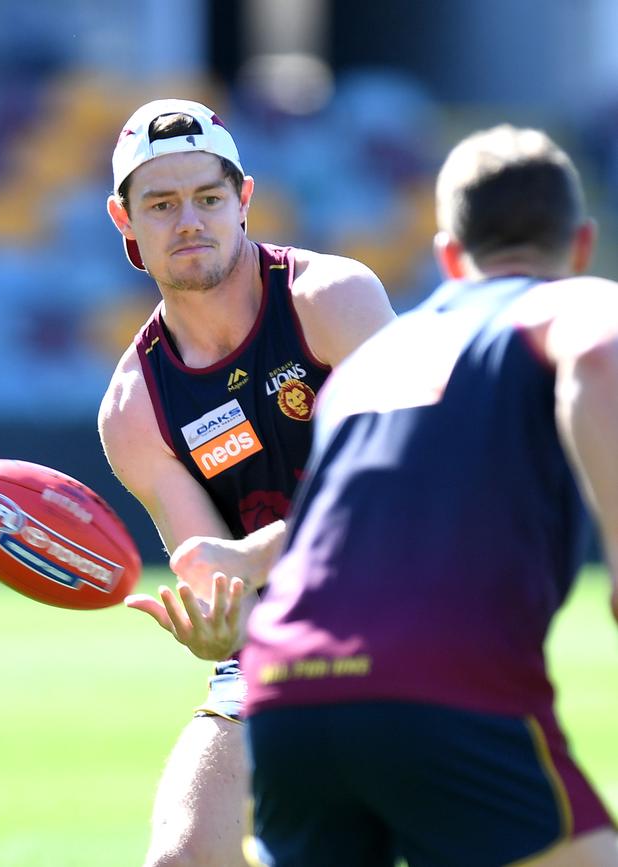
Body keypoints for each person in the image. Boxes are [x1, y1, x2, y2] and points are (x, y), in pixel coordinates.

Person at [241, 124, 618, 867]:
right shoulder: (564, 304)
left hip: (286, 694)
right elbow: (602, 356)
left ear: (449, 256)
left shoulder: (370, 362)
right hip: (443, 687)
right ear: (581, 245)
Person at [97, 97, 396, 867]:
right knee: (182, 857)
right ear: (123, 219)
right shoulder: (135, 408)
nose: (188, 220)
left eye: (208, 197)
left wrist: (254, 559)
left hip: (419, 617)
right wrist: (219, 620)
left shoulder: (332, 299)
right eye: (160, 204)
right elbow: (211, 570)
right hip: (280, 651)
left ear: (245, 201)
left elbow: (405, 494)